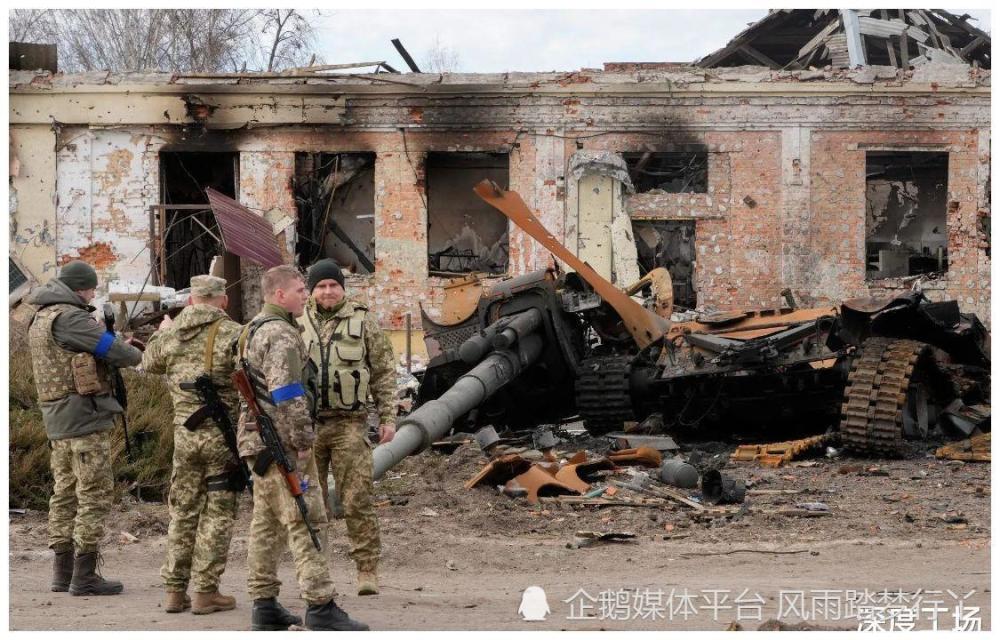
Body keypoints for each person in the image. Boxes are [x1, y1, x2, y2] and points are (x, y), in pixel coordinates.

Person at [236, 265, 368, 632]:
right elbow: (287, 393)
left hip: (255, 441)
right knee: (306, 518)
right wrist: (303, 441)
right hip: (281, 443)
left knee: (265, 523)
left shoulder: (253, 329)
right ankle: (320, 604)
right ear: (279, 295)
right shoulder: (280, 334)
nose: (304, 294)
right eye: (298, 290)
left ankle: (264, 604)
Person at [25, 260, 143, 596]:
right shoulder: (71, 317)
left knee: (63, 493)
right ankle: (85, 575)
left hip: (57, 418)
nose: (93, 293)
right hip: (83, 418)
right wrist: (131, 351)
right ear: (80, 288)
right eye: (91, 288)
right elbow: (114, 351)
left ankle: (62, 574)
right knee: (94, 494)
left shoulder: (42, 316)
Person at [141, 275, 243, 615]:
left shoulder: (169, 335)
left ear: (190, 301)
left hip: (184, 438)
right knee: (218, 514)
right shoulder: (234, 334)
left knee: (183, 512)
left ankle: (174, 591)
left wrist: (163, 331)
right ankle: (205, 592)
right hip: (221, 439)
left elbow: (148, 363)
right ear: (222, 300)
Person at [300, 258, 396, 596]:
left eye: (333, 285)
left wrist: (387, 418)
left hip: (350, 425)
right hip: (306, 428)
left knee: (357, 500)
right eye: (321, 286)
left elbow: (383, 371)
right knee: (309, 505)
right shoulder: (296, 320)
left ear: (343, 288)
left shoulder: (363, 321)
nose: (327, 291)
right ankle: (314, 574)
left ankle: (367, 570)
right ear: (311, 290)